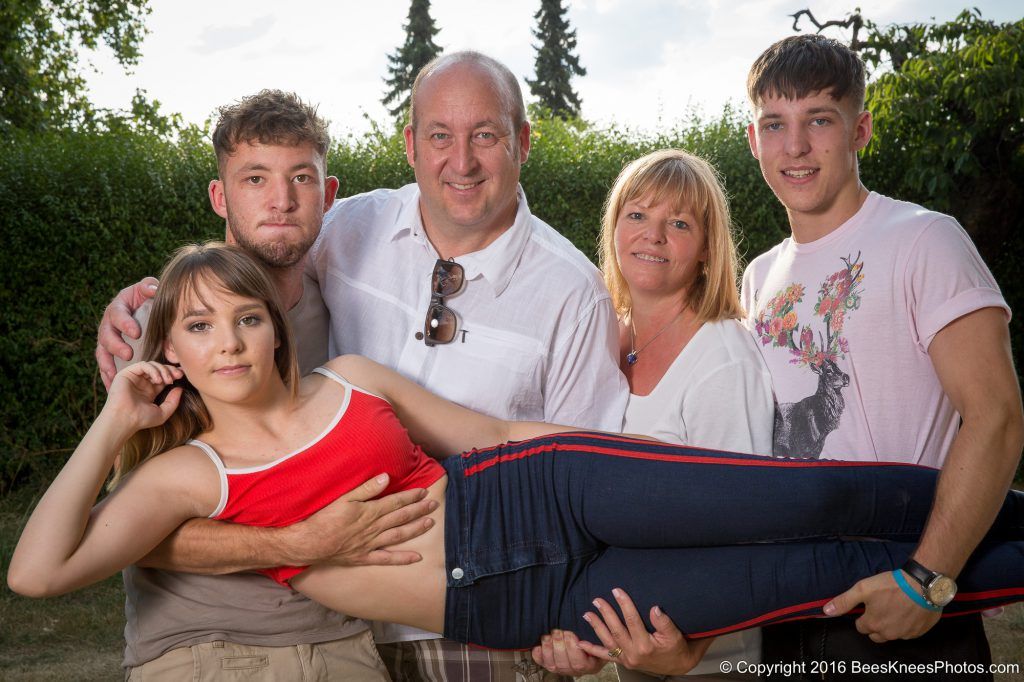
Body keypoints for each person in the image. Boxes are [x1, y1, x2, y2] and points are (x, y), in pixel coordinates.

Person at [10, 243, 1024, 667]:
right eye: (197, 328)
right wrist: (116, 419)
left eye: (243, 316)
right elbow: (38, 571)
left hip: (551, 491)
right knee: (812, 573)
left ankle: (992, 504)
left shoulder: (354, 377)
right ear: (169, 352)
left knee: (814, 497)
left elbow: (490, 436)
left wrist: (610, 460)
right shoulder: (189, 477)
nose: (227, 341)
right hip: (519, 605)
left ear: (276, 326)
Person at [96, 50, 627, 682]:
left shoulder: (567, 292)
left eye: (484, 135)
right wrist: (301, 544)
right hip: (227, 642)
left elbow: (587, 468)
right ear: (410, 144)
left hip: (439, 627)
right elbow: (122, 527)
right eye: (439, 136)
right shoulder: (185, 328)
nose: (461, 161)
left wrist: (574, 611)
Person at [95, 90, 438, 680]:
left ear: (329, 197)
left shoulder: (345, 310)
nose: (281, 201)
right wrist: (298, 543)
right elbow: (122, 531)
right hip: (203, 643)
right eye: (255, 179)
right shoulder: (163, 328)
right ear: (219, 196)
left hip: (343, 639)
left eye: (301, 178)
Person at [738, 35, 1024, 677]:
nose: (796, 147)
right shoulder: (758, 276)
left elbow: (997, 417)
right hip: (789, 603)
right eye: (774, 125)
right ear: (753, 140)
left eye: (819, 120)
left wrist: (930, 578)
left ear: (859, 128)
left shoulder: (925, 238)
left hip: (901, 596)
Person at [534, 149, 775, 680]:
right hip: (630, 632)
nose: (653, 235)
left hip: (707, 644)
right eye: (637, 215)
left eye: (679, 223)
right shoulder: (600, 335)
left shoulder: (722, 357)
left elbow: (746, 525)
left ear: (709, 248)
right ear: (614, 225)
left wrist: (689, 652)